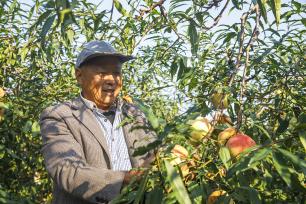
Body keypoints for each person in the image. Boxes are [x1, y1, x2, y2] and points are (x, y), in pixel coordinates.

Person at [39, 40, 157, 204]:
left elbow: (156, 156)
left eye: (116, 73)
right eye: (102, 73)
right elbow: (68, 170)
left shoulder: (135, 114)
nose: (111, 80)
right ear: (79, 75)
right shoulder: (60, 116)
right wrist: (125, 179)